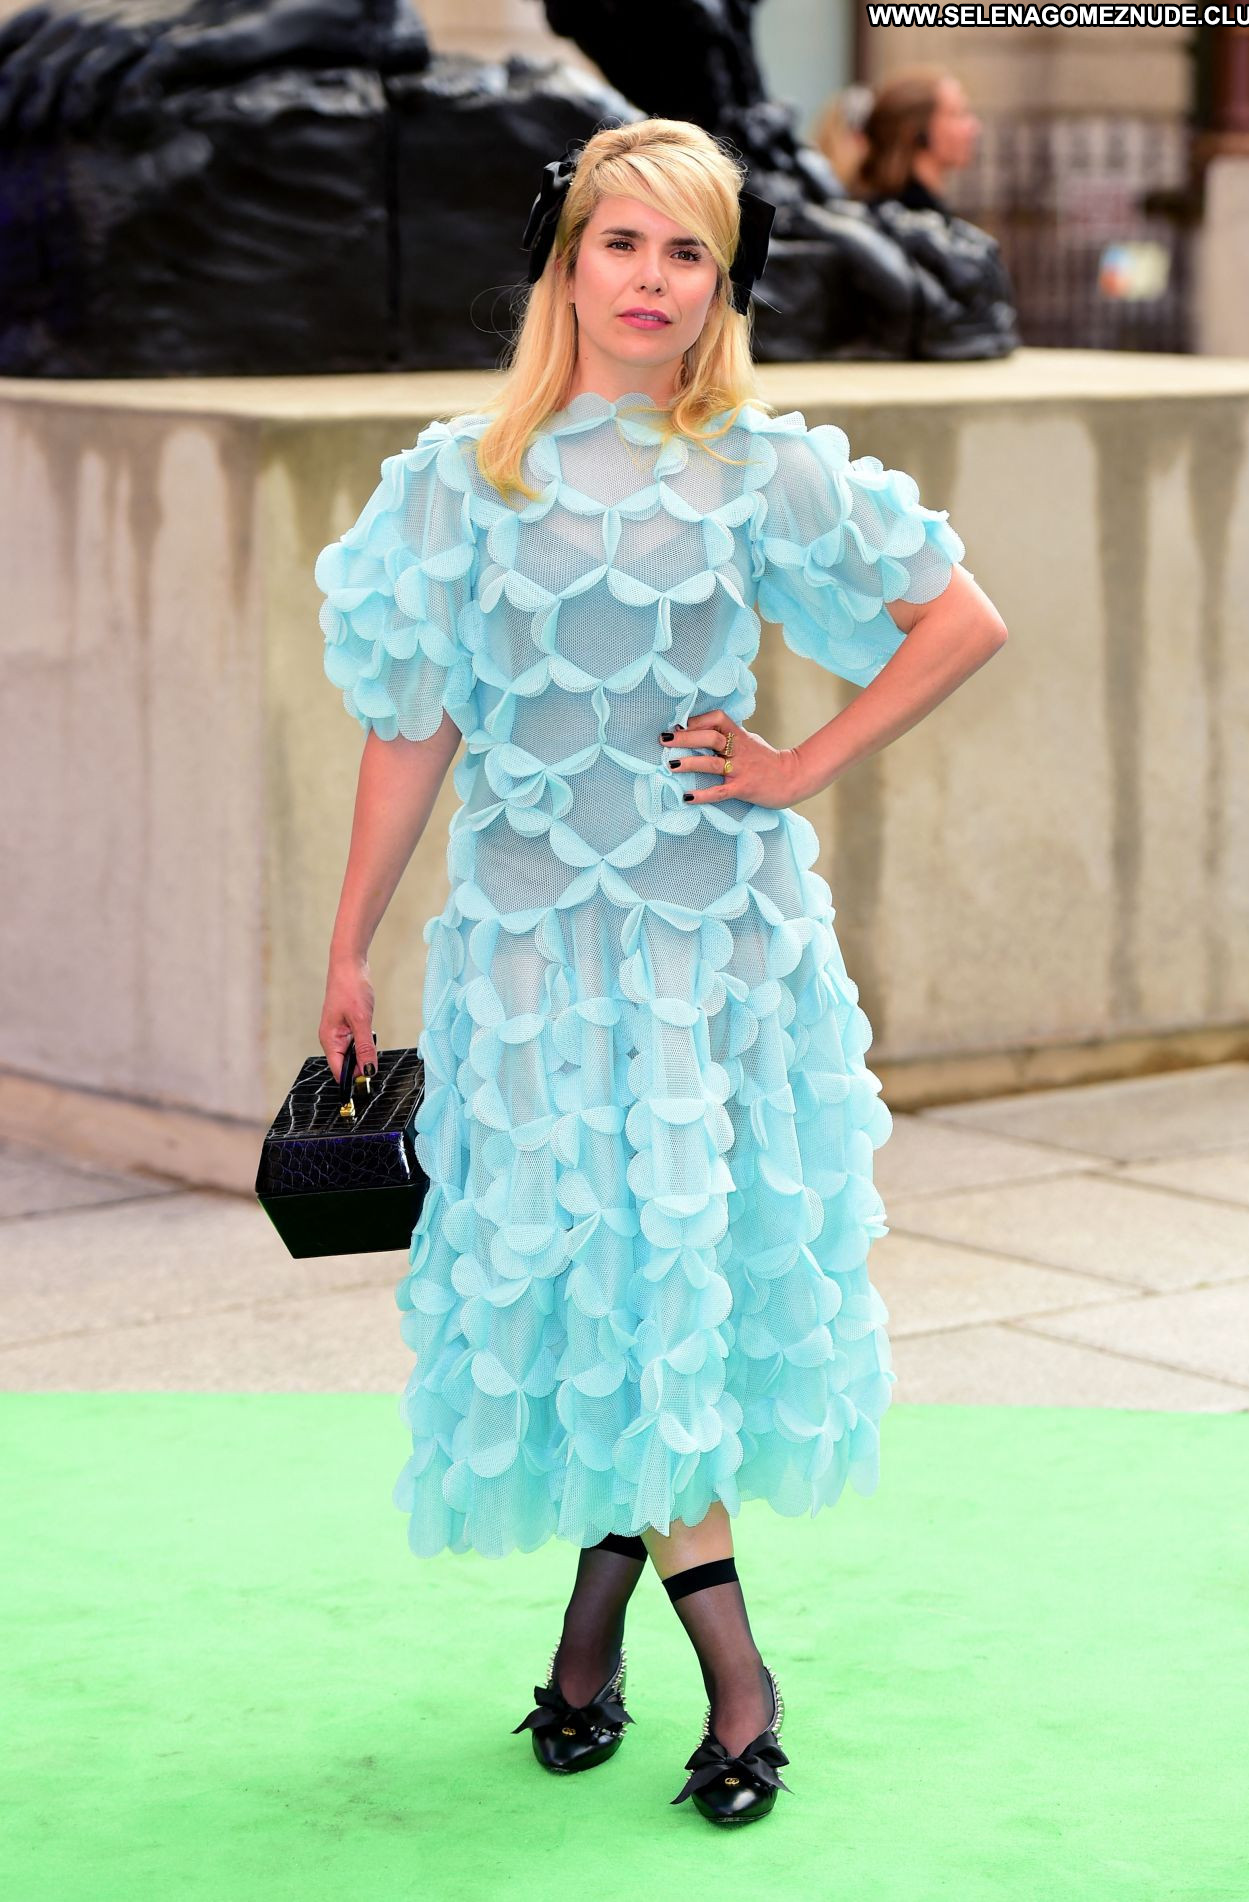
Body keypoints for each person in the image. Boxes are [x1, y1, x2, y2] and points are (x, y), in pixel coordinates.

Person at [314, 116, 1008, 1828]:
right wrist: (347, 942)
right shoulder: (455, 481)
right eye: (621, 243)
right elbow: (411, 731)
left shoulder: (757, 467)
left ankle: (722, 1672)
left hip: (713, 947)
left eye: (688, 251)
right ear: (566, 265)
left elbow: (961, 616)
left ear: (719, 284)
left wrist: (802, 762)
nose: (652, 279)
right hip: (525, 949)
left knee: (668, 1273)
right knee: (592, 1277)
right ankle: (593, 1635)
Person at [854, 65, 982, 220]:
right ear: (918, 130)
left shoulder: (921, 214)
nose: (973, 126)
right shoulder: (903, 221)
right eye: (957, 114)